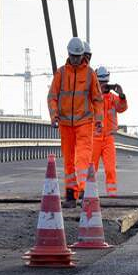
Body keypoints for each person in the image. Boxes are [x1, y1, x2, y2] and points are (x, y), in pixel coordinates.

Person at [48, 37, 101, 208]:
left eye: (78, 56)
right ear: (69, 54)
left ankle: (84, 191)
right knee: (69, 160)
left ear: (82, 55)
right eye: (73, 56)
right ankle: (71, 195)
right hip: (65, 124)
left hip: (84, 121)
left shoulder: (90, 74)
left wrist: (99, 120)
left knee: (82, 157)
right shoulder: (61, 73)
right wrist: (54, 116)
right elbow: (52, 97)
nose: (76, 59)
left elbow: (97, 99)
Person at [92, 65, 128, 197]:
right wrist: (99, 93)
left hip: (108, 138)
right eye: (101, 83)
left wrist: (122, 95)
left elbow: (122, 108)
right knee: (91, 170)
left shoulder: (113, 98)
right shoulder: (93, 97)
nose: (105, 85)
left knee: (110, 169)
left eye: (106, 83)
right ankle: (89, 195)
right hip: (94, 138)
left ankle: (111, 195)